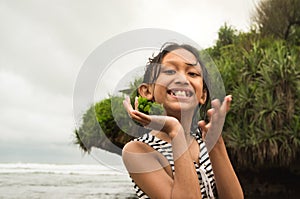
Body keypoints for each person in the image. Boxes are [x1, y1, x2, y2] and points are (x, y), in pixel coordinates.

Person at [122, 43, 243, 199]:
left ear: (203, 95)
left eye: (192, 73)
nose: (182, 78)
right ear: (147, 91)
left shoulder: (204, 142)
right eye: (170, 71)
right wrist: (175, 130)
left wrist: (216, 144)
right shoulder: (137, 151)